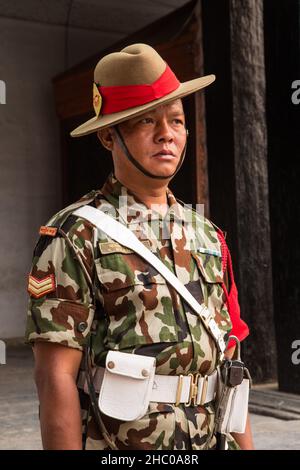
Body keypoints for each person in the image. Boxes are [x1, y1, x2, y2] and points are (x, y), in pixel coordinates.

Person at [25, 43, 254, 450]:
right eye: (146, 120)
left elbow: (230, 365)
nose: (167, 133)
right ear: (108, 136)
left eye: (177, 120)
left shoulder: (208, 234)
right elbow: (55, 376)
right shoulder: (76, 234)